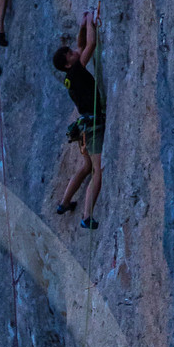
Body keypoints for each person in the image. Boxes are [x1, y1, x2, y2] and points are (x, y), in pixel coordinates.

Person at [53, 12, 105, 228]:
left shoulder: (69, 76)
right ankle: (86, 216)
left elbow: (82, 44)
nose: (75, 52)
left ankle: (64, 202)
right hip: (93, 128)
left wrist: (83, 25)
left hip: (84, 128)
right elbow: (90, 45)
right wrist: (92, 19)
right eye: (71, 54)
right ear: (68, 64)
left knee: (85, 167)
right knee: (97, 170)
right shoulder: (75, 71)